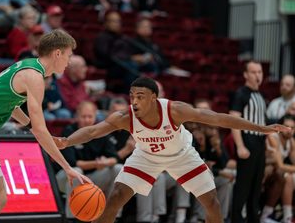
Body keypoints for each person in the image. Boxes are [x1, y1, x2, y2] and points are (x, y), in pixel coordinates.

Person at [53, 76, 289, 223]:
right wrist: (66, 141)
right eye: (132, 96)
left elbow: (218, 119)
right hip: (146, 156)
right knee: (115, 197)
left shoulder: (175, 110)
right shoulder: (126, 116)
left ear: (154, 98)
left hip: (182, 156)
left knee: (212, 204)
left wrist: (261, 127)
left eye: (140, 97)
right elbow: (93, 131)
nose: (134, 102)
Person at [0, 29, 90, 223]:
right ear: (57, 53)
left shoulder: (27, 67)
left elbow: (11, 104)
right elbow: (40, 128)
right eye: (68, 56)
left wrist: (30, 126)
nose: (69, 62)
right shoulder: (34, 77)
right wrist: (67, 167)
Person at [230, 61, 267, 223]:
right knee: (243, 187)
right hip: (247, 142)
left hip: (260, 144)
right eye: (253, 72)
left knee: (256, 187)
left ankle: (253, 219)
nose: (257, 75)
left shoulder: (261, 96)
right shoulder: (241, 94)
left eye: (259, 72)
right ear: (245, 74)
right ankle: (236, 220)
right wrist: (240, 146)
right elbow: (233, 121)